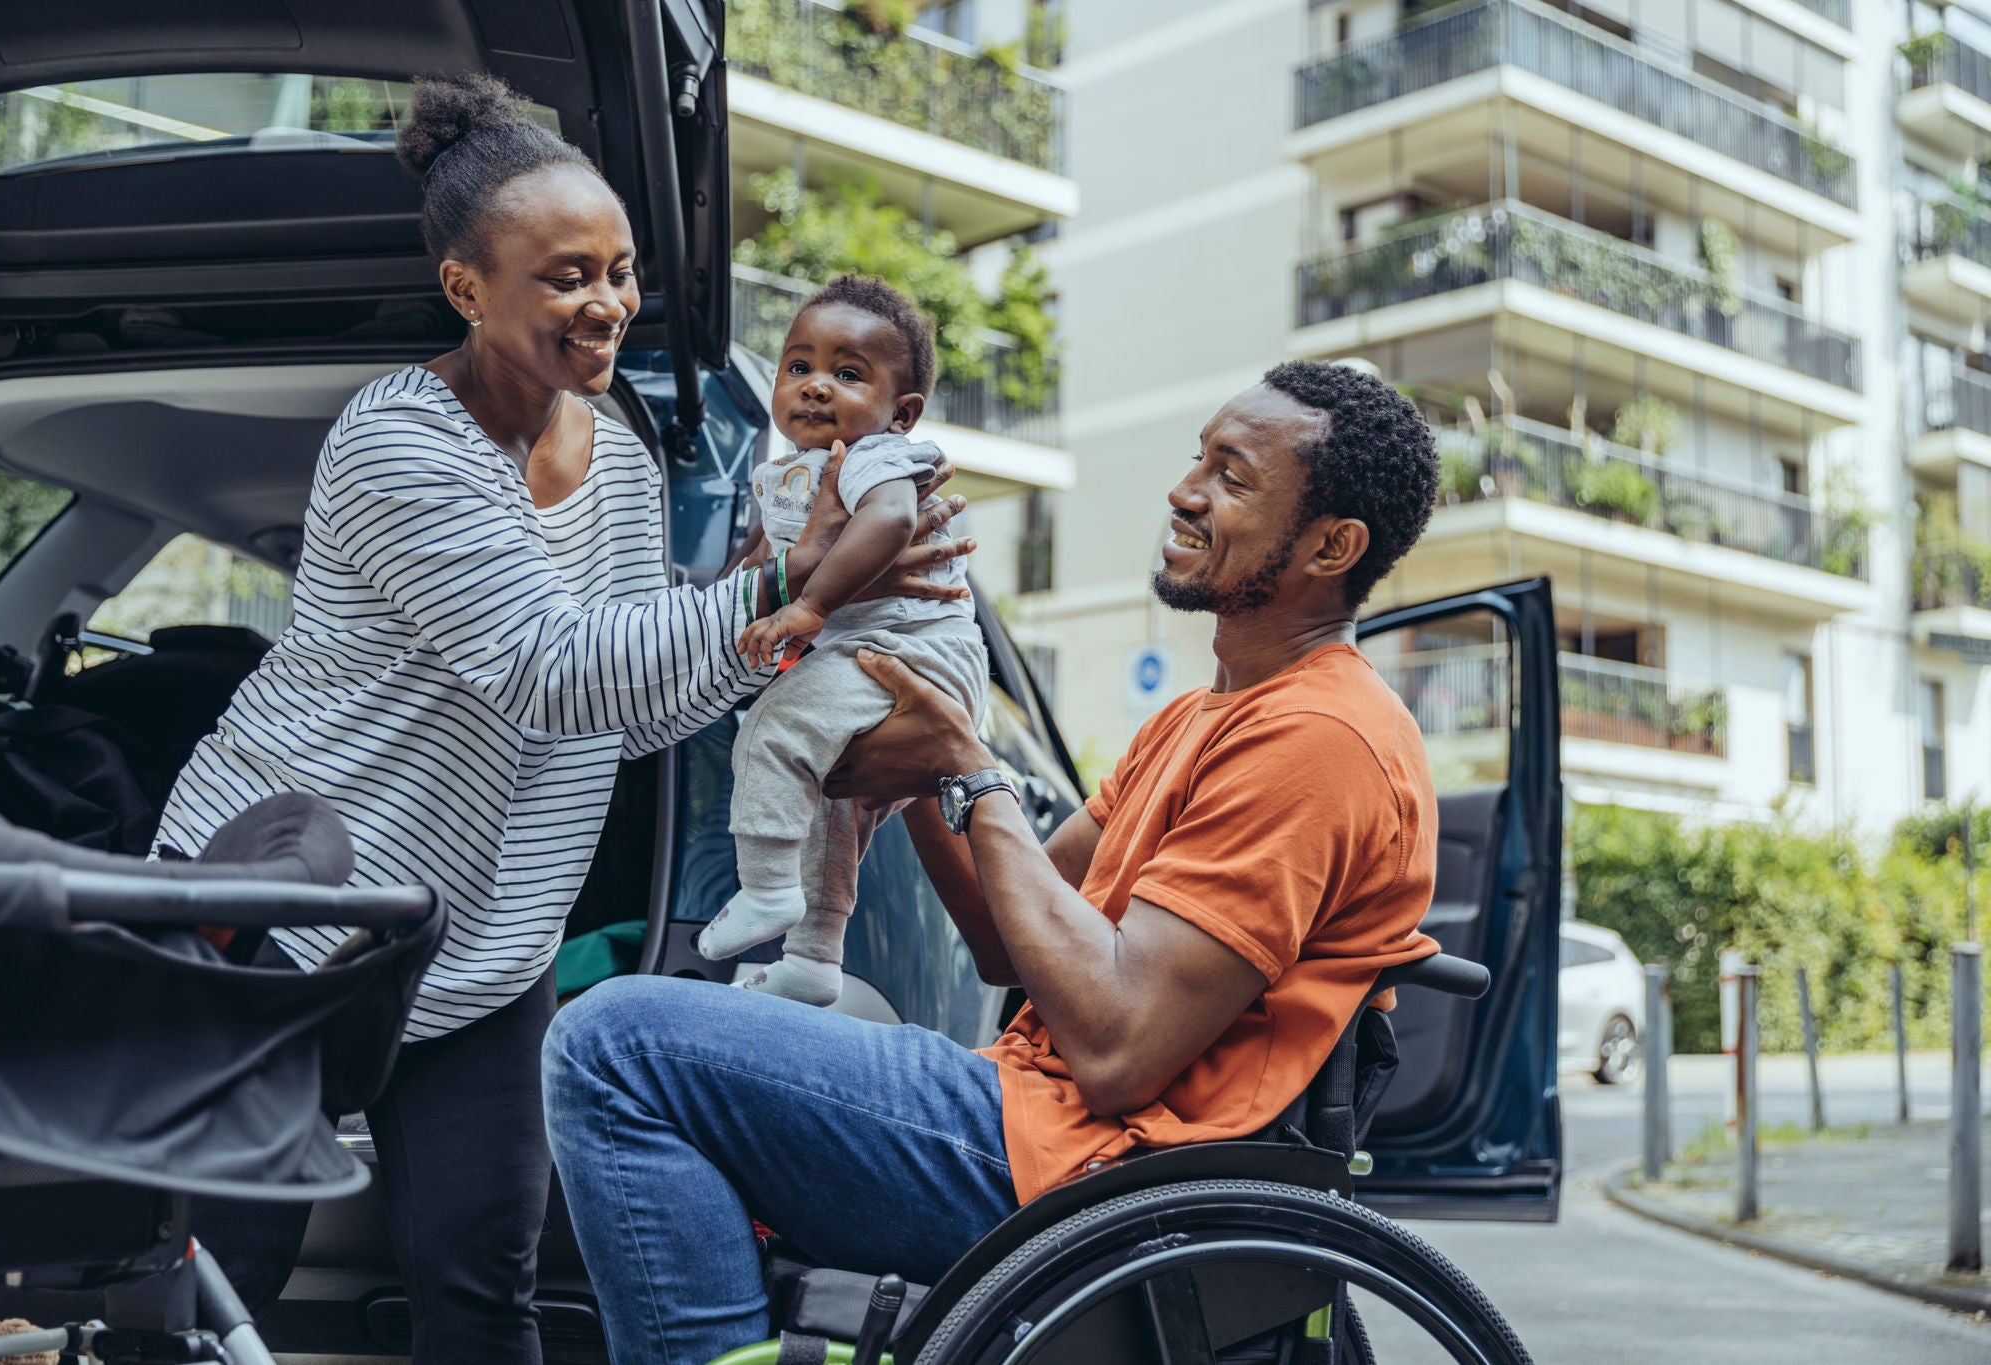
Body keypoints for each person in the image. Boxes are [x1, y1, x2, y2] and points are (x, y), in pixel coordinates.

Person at [153, 74, 972, 1363]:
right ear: (466, 287)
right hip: (299, 910)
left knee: (485, 1286)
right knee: (218, 1289)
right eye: (564, 277)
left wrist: (796, 623)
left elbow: (637, 700)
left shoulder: (624, 457)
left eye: (620, 270)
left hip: (485, 938)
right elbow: (550, 667)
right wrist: (782, 580)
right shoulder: (398, 443)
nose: (607, 305)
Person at [543, 359, 1446, 1365]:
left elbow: (1113, 1047)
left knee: (613, 1046)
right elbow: (1003, 943)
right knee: (756, 1013)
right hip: (1041, 1125)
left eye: (1231, 477)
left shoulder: (1321, 738)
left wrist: (969, 771)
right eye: (1197, 459)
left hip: (1101, 1176)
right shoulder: (1202, 716)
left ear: (1332, 545)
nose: (1183, 492)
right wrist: (928, 766)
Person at [695, 274, 987, 1005]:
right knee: (828, 807)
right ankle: (814, 956)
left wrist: (811, 606)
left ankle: (765, 892)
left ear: (902, 412)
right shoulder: (785, 475)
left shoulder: (877, 457)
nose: (816, 386)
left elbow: (888, 524)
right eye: (800, 367)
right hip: (871, 659)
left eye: (847, 373)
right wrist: (745, 591)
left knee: (774, 724)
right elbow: (750, 572)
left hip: (912, 656)